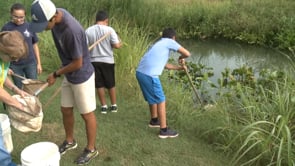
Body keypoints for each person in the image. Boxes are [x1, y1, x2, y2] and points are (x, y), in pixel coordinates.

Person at [29, 0, 98, 164]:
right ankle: (69, 141)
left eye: (44, 24)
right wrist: (61, 71)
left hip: (82, 76)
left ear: (53, 18)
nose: (44, 28)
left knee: (86, 114)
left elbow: (78, 63)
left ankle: (91, 149)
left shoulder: (71, 31)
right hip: (68, 72)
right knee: (65, 109)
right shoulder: (55, 14)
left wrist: (55, 74)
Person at [136, 28, 191, 138]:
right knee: (161, 99)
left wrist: (179, 68)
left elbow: (165, 65)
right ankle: (164, 130)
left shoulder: (158, 44)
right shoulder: (169, 42)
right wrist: (181, 57)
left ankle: (154, 120)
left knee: (153, 98)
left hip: (140, 73)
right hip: (149, 75)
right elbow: (187, 53)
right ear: (173, 38)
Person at [0, 31, 29, 166]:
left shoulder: (3, 59)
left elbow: (2, 76)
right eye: (12, 58)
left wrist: (16, 89)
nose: (15, 61)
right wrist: (17, 104)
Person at [85, 10, 122, 114]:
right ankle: (114, 105)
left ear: (96, 20)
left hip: (94, 61)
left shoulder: (88, 30)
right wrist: (120, 42)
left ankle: (104, 106)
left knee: (99, 84)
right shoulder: (110, 30)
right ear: (106, 20)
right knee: (111, 83)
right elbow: (116, 45)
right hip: (108, 61)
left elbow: (85, 46)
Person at [1, 3, 42, 89]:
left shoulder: (30, 26)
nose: (19, 20)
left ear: (25, 15)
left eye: (21, 17)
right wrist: (6, 68)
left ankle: (33, 102)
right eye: (16, 17)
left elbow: (35, 45)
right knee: (19, 87)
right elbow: (3, 49)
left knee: (33, 87)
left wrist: (39, 63)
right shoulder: (6, 28)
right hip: (15, 65)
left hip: (30, 63)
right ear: (11, 14)